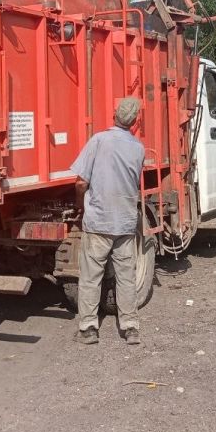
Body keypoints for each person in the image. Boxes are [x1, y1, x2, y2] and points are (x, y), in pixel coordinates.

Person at [70, 96, 146, 345]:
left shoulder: (99, 140)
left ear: (115, 115)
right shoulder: (138, 148)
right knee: (126, 277)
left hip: (99, 222)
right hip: (125, 222)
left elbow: (81, 183)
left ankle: (88, 329)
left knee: (91, 277)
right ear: (135, 121)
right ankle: (131, 328)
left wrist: (82, 205)